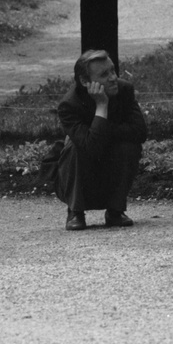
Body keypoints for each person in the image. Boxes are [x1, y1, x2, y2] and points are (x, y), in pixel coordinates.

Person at [55, 49, 147, 231]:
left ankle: (115, 211)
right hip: (81, 166)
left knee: (129, 147)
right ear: (84, 81)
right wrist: (102, 105)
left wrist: (101, 128)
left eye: (113, 70)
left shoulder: (124, 90)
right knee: (74, 148)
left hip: (111, 159)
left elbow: (139, 132)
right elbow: (91, 147)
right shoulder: (69, 105)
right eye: (104, 74)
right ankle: (75, 211)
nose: (113, 78)